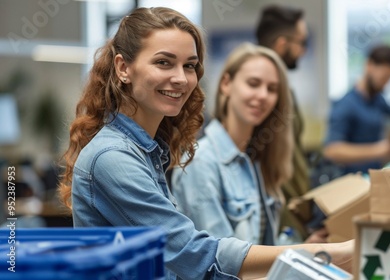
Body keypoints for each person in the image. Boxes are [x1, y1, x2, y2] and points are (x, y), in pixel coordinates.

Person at [58, 7, 353, 280]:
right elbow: (195, 255)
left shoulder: (149, 151)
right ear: (123, 68)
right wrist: (331, 254)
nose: (181, 78)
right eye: (163, 62)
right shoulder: (113, 157)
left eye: (189, 66)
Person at [171, 43, 293, 246]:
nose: (263, 95)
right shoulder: (201, 163)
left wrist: (302, 251)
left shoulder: (256, 159)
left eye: (272, 89)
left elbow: (262, 244)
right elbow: (222, 260)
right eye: (253, 84)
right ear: (226, 84)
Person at [255, 4, 326, 243]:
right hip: (280, 223)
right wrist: (292, 235)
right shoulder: (261, 101)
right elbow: (265, 178)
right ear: (282, 45)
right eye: (301, 43)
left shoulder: (285, 92)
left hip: (293, 215)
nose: (303, 51)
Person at [323, 44, 390, 175]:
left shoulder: (377, 100)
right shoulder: (346, 105)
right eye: (384, 77)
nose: (386, 83)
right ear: (369, 65)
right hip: (351, 181)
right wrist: (381, 149)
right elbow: (332, 150)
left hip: (373, 176)